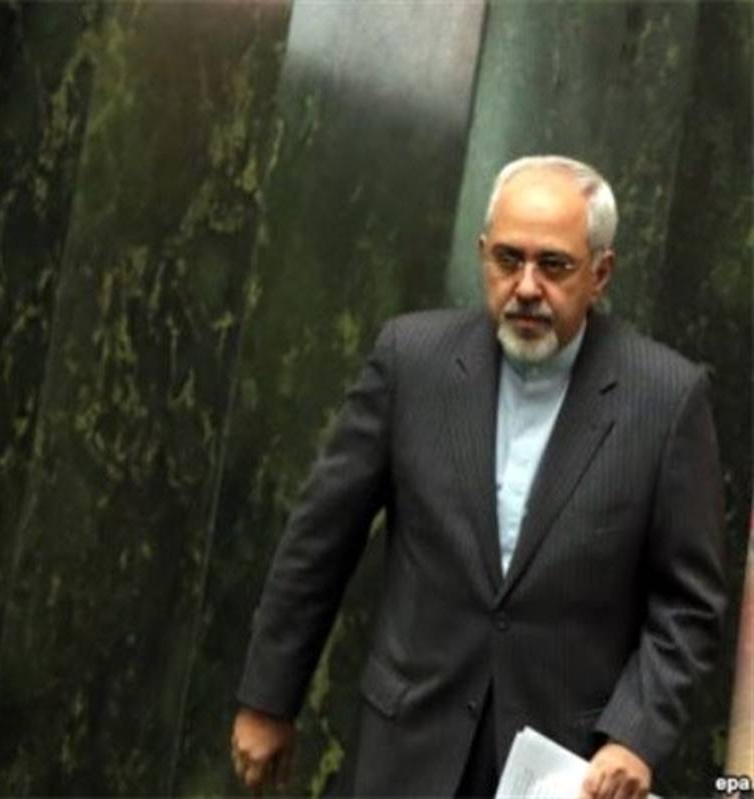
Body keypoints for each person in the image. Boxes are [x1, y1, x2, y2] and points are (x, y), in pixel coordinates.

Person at [230, 156, 726, 798]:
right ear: (482, 253)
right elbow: (318, 541)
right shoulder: (412, 362)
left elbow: (688, 604)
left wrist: (636, 733)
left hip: (563, 766)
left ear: (600, 273)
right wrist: (268, 700)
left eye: (554, 265)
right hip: (406, 743)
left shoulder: (664, 398)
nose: (526, 287)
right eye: (507, 259)